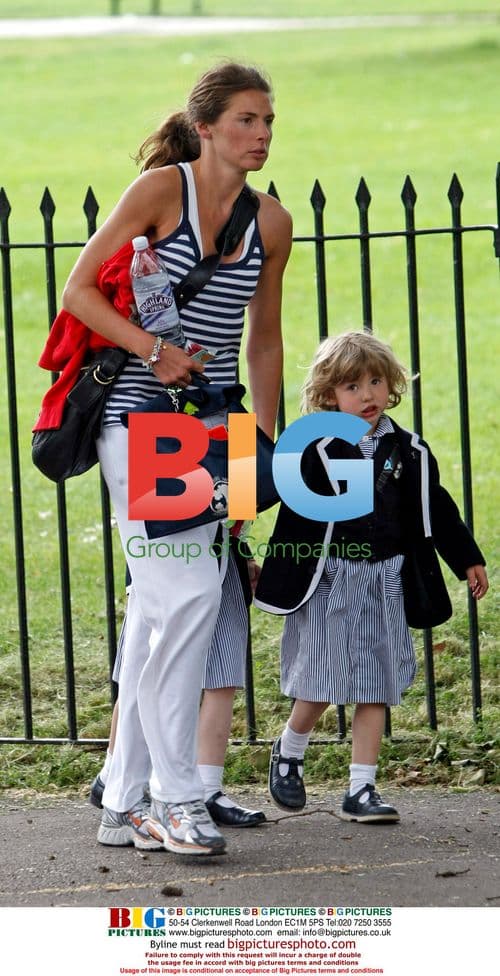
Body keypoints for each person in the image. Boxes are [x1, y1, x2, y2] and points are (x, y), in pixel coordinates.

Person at [62, 61, 292, 855]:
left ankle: (123, 801)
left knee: (161, 611)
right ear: (205, 127)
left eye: (268, 122)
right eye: (246, 121)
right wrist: (153, 348)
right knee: (189, 595)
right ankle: (173, 796)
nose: (261, 135)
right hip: (140, 423)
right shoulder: (163, 192)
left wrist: (266, 445)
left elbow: (263, 338)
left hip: (220, 431)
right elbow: (78, 290)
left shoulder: (272, 222)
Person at [254, 331, 488, 823]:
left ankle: (361, 788)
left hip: (385, 577)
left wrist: (466, 557)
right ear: (328, 395)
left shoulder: (408, 449)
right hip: (328, 578)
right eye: (352, 386)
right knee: (319, 677)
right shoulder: (314, 447)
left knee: (377, 683)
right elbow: (282, 504)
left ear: (392, 385)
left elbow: (435, 507)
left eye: (376, 382)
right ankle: (290, 749)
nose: (367, 395)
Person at [90, 540, 267, 829]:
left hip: (222, 550)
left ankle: (208, 789)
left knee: (224, 671)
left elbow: (237, 502)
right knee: (146, 667)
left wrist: (242, 552)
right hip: (165, 551)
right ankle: (113, 775)